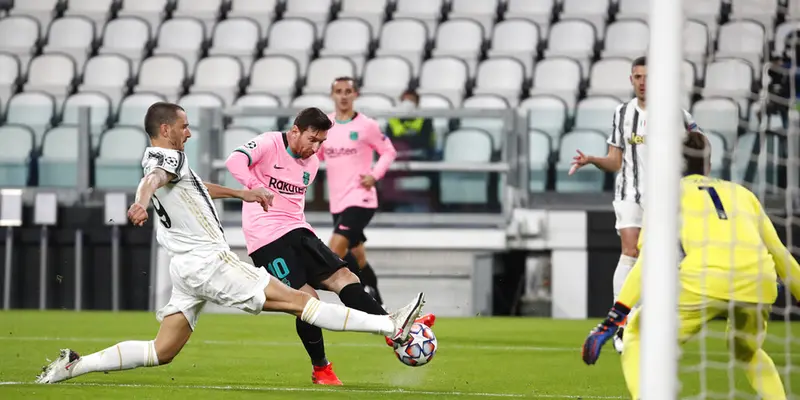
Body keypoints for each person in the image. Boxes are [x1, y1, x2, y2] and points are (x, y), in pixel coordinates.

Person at [35, 103, 426, 385]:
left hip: (186, 269)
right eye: (184, 125)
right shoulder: (164, 160)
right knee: (303, 302)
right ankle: (388, 325)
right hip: (211, 264)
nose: (190, 131)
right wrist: (139, 201)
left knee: (161, 351)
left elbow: (195, 187)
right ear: (166, 129)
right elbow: (153, 179)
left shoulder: (171, 162)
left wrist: (241, 194)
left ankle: (76, 365)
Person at [581, 131, 797, 400]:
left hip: (706, 279)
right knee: (747, 350)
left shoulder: (667, 196)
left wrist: (614, 318)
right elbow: (781, 254)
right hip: (759, 283)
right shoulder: (742, 193)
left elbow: (648, 261)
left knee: (636, 333)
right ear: (708, 163)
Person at [568, 56, 703, 353]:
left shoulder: (675, 114)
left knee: (661, 260)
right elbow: (615, 161)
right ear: (631, 80)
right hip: (629, 192)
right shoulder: (622, 113)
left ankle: (654, 322)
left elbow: (700, 148)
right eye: (638, 77)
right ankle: (621, 325)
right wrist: (592, 159)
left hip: (664, 198)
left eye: (647, 77)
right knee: (630, 251)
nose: (643, 82)